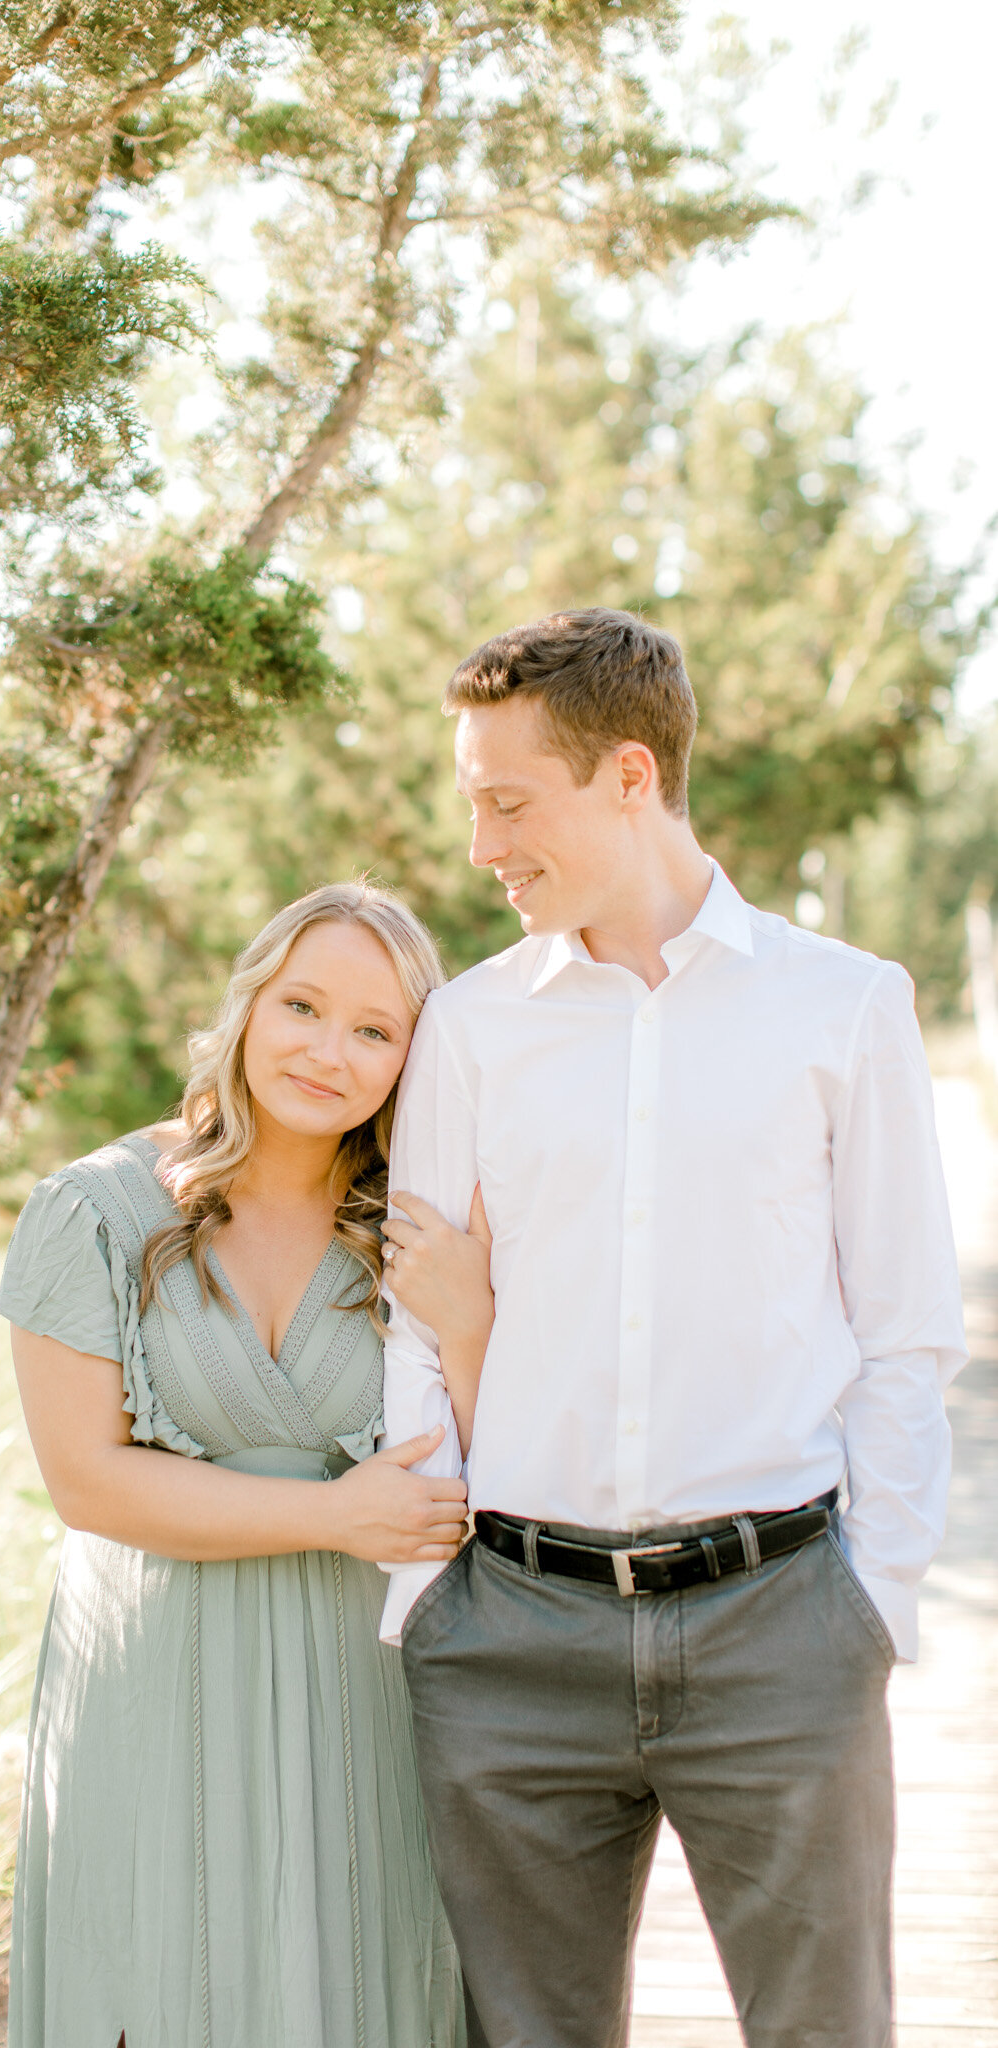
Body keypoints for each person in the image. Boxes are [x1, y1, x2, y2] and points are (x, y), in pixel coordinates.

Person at [377, 608, 967, 2048]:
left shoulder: (845, 1007)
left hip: (782, 1629)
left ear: (628, 775)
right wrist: (430, 1602)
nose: (480, 845)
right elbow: (418, 1311)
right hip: (511, 1634)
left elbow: (903, 1331)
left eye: (507, 802)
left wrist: (868, 1603)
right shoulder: (470, 1029)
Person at [0, 882, 477, 2048]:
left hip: (368, 1688)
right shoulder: (94, 1211)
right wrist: (334, 1512)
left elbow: (496, 1458)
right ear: (249, 1003)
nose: (327, 1049)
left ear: (417, 1058)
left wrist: (467, 1324)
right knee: (163, 1976)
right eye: (302, 1004)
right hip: (156, 1674)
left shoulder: (425, 1230)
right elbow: (88, 1483)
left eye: (375, 1028)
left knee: (361, 1975)